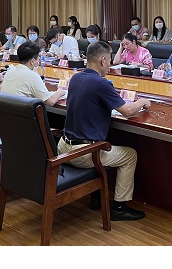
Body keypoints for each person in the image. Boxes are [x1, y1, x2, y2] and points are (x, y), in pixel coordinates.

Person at [57, 41, 151, 221]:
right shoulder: (101, 83)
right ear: (102, 60)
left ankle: (95, 198)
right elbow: (127, 111)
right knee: (130, 155)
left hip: (63, 147)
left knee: (103, 142)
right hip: (83, 154)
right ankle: (119, 207)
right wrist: (142, 102)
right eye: (109, 60)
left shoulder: (75, 78)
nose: (110, 65)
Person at [0, 41, 66, 106]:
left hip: (7, 111)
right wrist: (60, 92)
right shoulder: (33, 76)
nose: (39, 59)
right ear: (32, 61)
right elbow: (50, 101)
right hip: (23, 112)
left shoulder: (10, 71)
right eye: (38, 57)